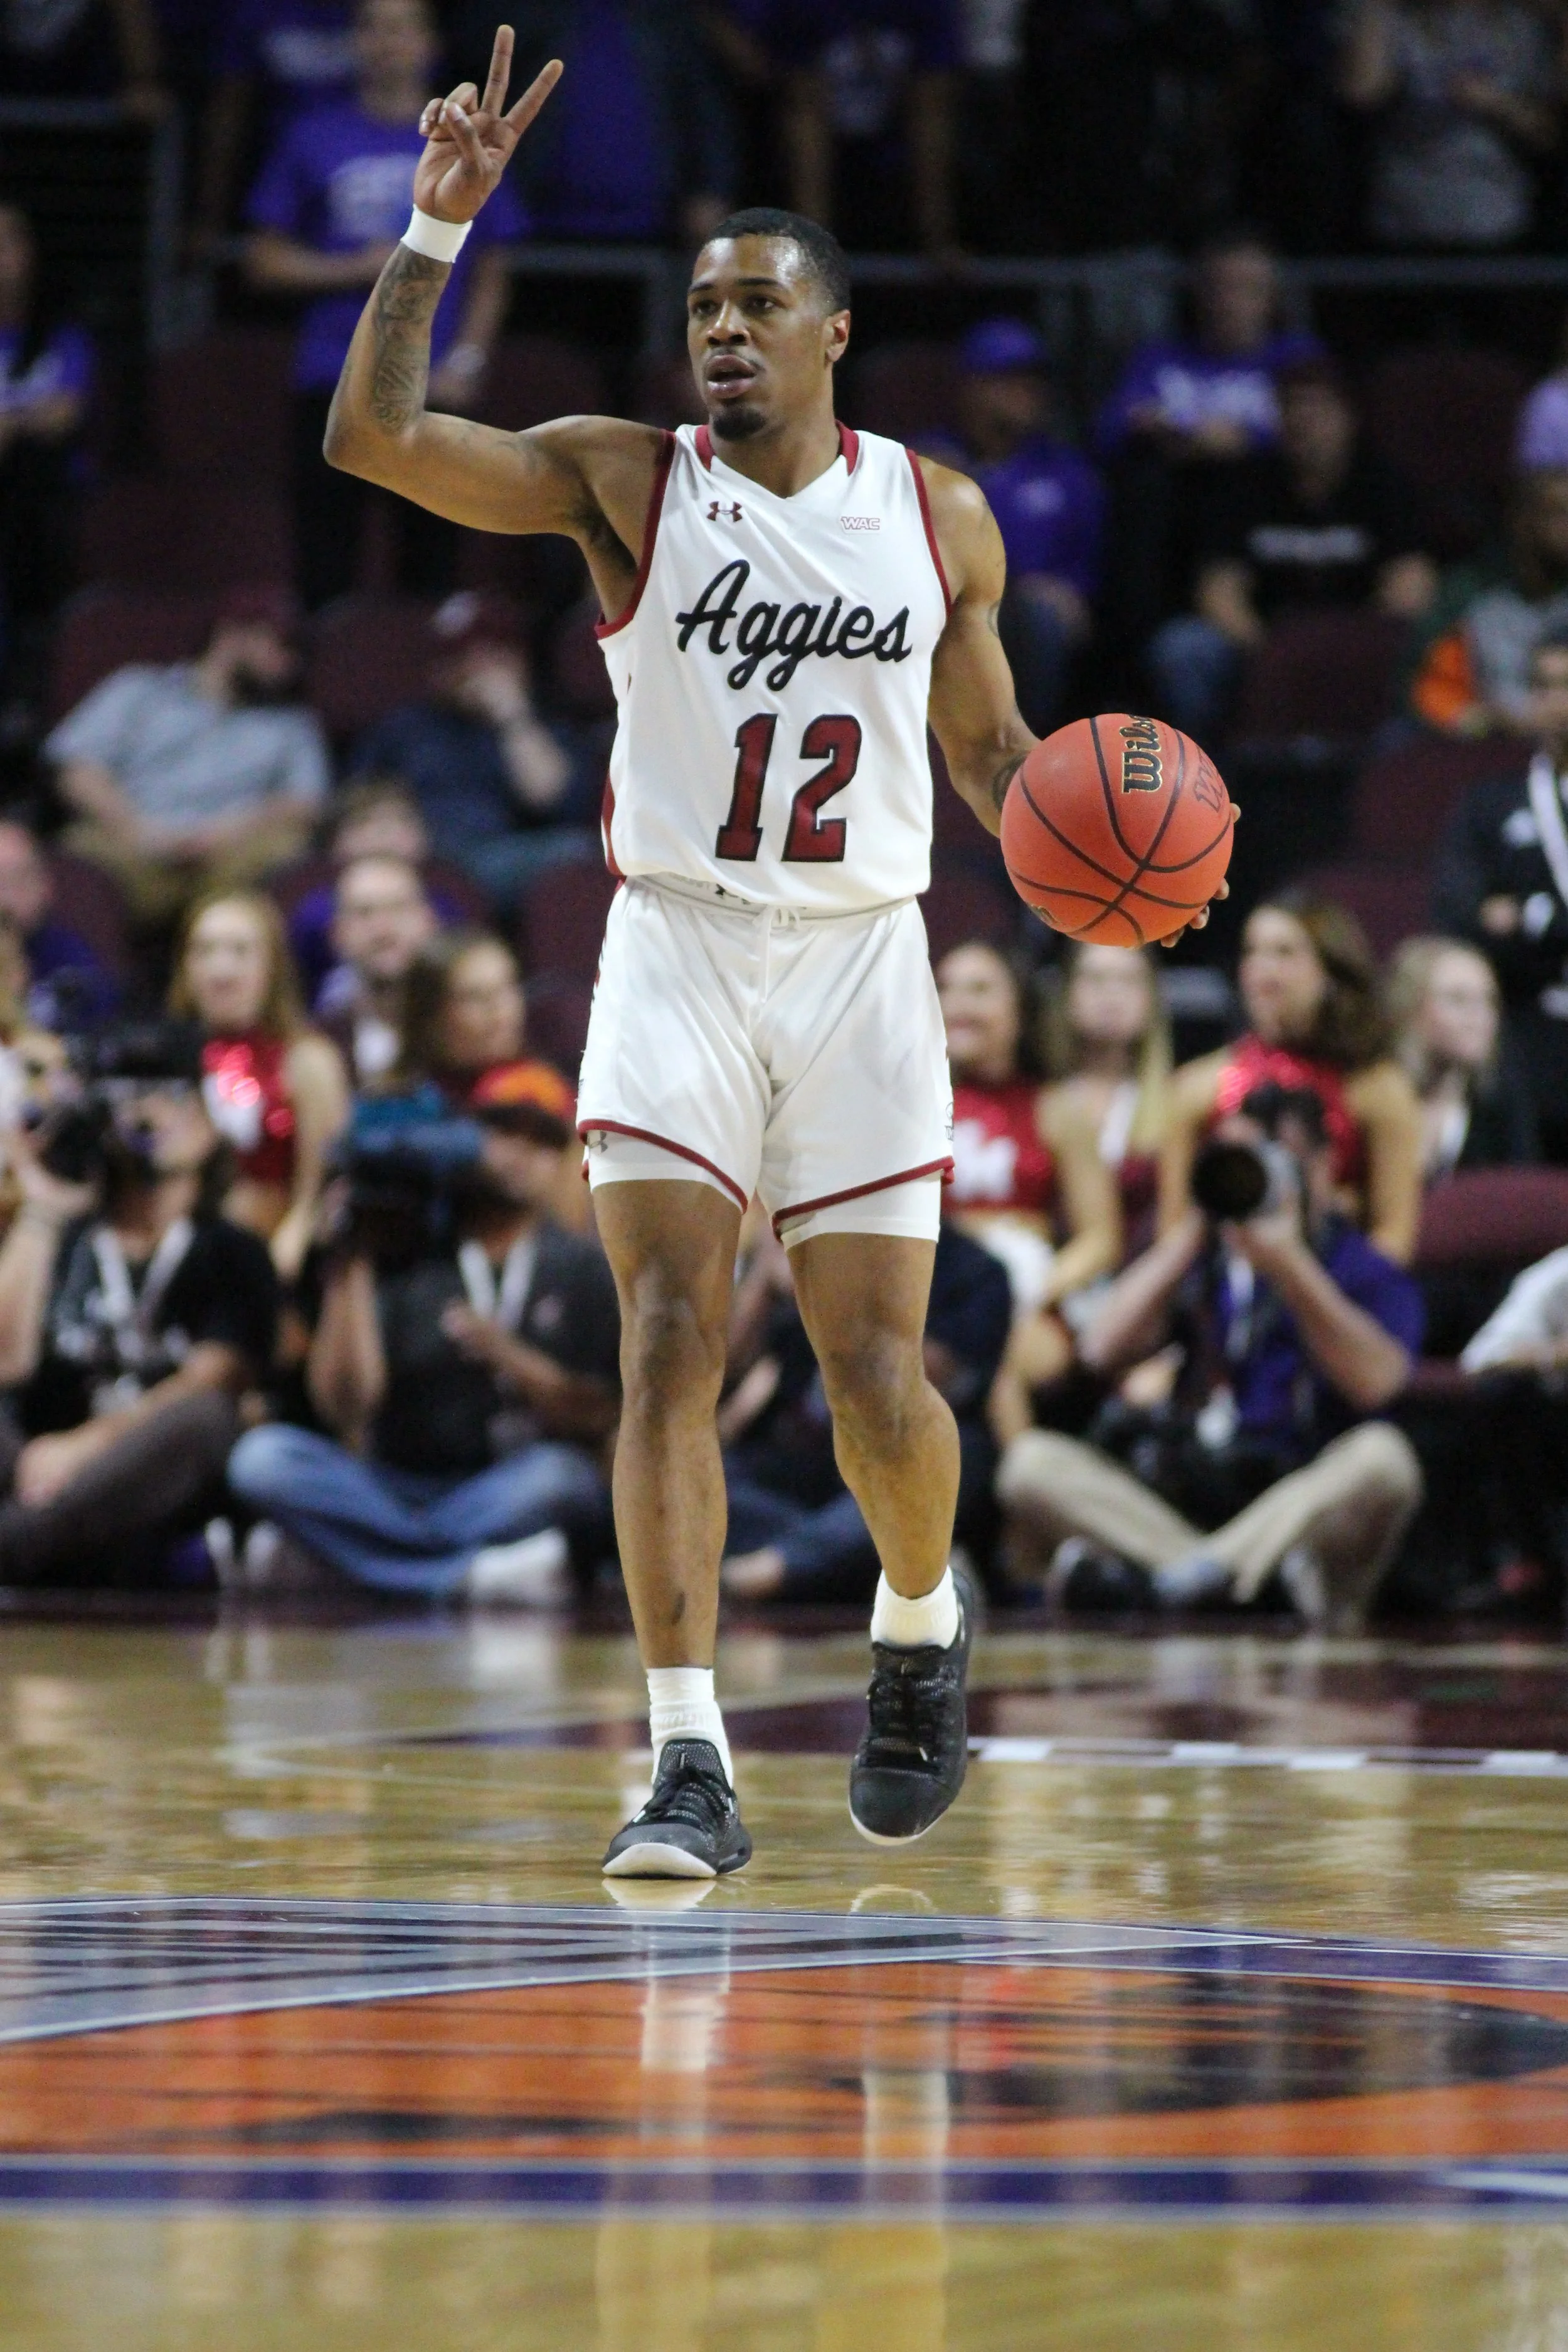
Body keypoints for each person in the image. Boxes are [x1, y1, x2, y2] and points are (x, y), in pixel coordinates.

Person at [319, 36, 1227, 1877]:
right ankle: (686, 1759)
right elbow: (374, 441)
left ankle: (916, 1621)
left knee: (873, 1384)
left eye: (758, 302)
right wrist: (434, 226)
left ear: (833, 331)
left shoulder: (934, 512)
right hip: (670, 945)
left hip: (857, 965)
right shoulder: (620, 481)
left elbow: (984, 761)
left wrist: (1105, 877)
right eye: (698, 305)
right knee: (667, 1331)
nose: (719, 329)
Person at [999, 1081, 1426, 1632]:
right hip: (1200, 1491)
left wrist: (1291, 1266)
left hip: (1302, 1507)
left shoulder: (1362, 1267)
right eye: (1234, 1160)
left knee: (1384, 1459)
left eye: (1271, 1162)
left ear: (1321, 1168)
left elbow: (1379, 1385)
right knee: (1031, 1463)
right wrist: (1188, 1233)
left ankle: (1186, 1578)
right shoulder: (1205, 1262)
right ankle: (1223, 1579)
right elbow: (1099, 1348)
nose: (1250, 1176)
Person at [228, 1061, 618, 1601]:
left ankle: (356, 1563)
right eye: (504, 1131)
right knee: (263, 1459)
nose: (521, 1154)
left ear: (562, 1160)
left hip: (502, 1484)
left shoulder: (581, 1267)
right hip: (389, 1482)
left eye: (544, 1141)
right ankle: (463, 1574)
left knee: (567, 1478)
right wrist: (351, 1264)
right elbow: (345, 1406)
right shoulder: (406, 1247)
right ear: (464, 1138)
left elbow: (601, 1417)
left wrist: (510, 1357)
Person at [246, 0, 525, 608]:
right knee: (325, 565)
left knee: (431, 568)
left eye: (402, 27)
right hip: (334, 375)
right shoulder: (312, 134)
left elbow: (493, 267)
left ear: (430, 43)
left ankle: (421, 694)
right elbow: (262, 261)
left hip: (432, 382)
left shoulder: (464, 141)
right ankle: (325, 684)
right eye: (371, 27)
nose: (386, 42)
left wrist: (468, 362)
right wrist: (353, 266)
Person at [0, 1027, 278, 1589]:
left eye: (172, 1097)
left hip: (137, 1478)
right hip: (33, 1465)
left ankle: (19, 1545)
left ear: (209, 1124)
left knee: (208, 1419)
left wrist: (82, 1449)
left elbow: (213, 1380)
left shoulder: (232, 1251)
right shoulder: (68, 1235)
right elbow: (8, 1364)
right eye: (128, 1096)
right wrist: (43, 1210)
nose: (149, 1115)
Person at [719, 1214, 1010, 1605]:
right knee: (706, 1478)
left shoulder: (973, 1272)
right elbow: (721, 1373)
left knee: (934, 1483)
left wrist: (827, 1293)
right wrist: (763, 1284)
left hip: (898, 1456)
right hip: (809, 1461)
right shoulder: (807, 1243)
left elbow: (913, 1384)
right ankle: (842, 1562)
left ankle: (776, 1570)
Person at [1149, 357, 1436, 743]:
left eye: (1317, 408)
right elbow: (1218, 590)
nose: (1303, 421)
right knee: (1184, 648)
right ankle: (1208, 776)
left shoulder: (1384, 485)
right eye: (1292, 407)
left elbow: (1410, 591)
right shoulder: (1244, 485)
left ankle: (1381, 781)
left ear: (1348, 418)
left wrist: (1341, 652)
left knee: (1421, 657)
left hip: (1356, 648)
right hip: (1262, 644)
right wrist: (1276, 656)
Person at [44, 588, 331, 931]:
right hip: (133, 846)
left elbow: (305, 804)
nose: (289, 665)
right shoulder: (139, 688)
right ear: (232, 635)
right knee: (75, 849)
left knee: (287, 849)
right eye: (280, 647)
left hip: (230, 860)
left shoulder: (290, 723)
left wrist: (226, 832)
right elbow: (76, 769)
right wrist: (139, 832)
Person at [1095, 230, 1322, 656]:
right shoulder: (1160, 358)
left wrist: (1245, 440)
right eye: (1220, 287)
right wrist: (1197, 440)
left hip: (1265, 516)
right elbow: (1111, 431)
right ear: (1199, 295)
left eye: (1247, 288)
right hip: (1172, 517)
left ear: (1271, 298)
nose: (1230, 302)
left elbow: (1324, 433)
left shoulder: (1296, 358)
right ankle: (1131, 655)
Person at [1162, 894, 1424, 1263]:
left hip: (1341, 1290)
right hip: (1227, 1294)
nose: (1262, 970)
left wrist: (1331, 1299)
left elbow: (1394, 1235)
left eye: (1284, 953)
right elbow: (1173, 1234)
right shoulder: (1196, 1086)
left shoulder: (1379, 1089)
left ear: (1331, 973)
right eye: (1252, 952)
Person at [936, 940, 1120, 1416]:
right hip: (936, 1292)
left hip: (1028, 1293)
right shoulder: (911, 1107)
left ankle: (1016, 1480)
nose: (958, 1004)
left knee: (1007, 1353)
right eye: (945, 989)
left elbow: (1100, 1238)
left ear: (1019, 1010)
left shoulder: (1056, 1108)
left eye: (979, 990)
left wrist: (1031, 1290)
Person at [352, 589, 597, 910]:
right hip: (421, 860)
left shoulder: (545, 726)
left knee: (576, 851)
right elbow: (359, 801)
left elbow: (555, 799)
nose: (476, 669)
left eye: (493, 654)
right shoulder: (404, 729)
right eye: (461, 657)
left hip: (506, 860)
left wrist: (513, 717)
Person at [927, 319, 1104, 734]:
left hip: (1029, 623)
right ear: (971, 387)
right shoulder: (929, 458)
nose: (1027, 393)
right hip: (942, 613)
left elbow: (1086, 575)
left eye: (1033, 381)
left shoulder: (1067, 471)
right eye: (1008, 380)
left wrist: (1072, 593)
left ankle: (1030, 748)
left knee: (1038, 617)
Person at [1431, 630, 1568, 1160]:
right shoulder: (1488, 805)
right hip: (1522, 1030)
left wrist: (1532, 918)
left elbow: (1500, 922)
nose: (1559, 703)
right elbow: (1458, 918)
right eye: (1546, 687)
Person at [168, 890, 351, 1282]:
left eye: (240, 951)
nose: (221, 970)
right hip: (183, 1257)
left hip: (281, 1257)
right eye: (204, 951)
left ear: (272, 967)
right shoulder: (169, 1061)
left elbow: (319, 1190)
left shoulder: (307, 1062)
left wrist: (287, 1249)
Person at [450, 0, 735, 244]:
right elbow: (470, 88)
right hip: (533, 223)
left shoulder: (667, 15)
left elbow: (704, 108)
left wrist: (710, 189)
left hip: (654, 227)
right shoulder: (517, 11)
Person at [1339, 0, 1558, 252]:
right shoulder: (1398, 22)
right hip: (1404, 215)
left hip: (1494, 216)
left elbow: (1546, 132)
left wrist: (1497, 104)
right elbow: (1362, 94)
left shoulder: (1519, 26)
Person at [762, 0, 962, 258]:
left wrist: (938, 236)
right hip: (824, 171)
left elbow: (932, 111)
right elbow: (803, 110)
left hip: (896, 167)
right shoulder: (804, 9)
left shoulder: (929, 9)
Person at [0, 205, 93, 700]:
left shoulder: (61, 336)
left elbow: (66, 415)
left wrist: (10, 425)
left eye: (9, 242)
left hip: (43, 508)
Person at [283, 776, 480, 1002]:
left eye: (398, 909)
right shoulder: (311, 910)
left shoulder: (452, 902)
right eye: (365, 823)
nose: (382, 835)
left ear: (429, 921)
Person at [1409, 470, 1568, 736]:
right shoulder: (1472, 591)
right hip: (1491, 746)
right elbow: (1428, 687)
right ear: (1525, 522)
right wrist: (1482, 721)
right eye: (1558, 513)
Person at [1041, 939, 1171, 1260]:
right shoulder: (1041, 1103)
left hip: (1151, 1290)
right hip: (1054, 1284)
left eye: (1128, 980)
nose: (1111, 995)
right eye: (1095, 979)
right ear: (1068, 994)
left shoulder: (1176, 1104)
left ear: (1151, 998)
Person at [194, 0, 357, 255]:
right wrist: (208, 215)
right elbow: (229, 112)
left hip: (360, 166)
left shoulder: (374, 11)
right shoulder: (258, 12)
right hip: (273, 177)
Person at [1386, 934, 1538, 1177]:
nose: (1479, 1017)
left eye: (1488, 1000)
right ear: (1409, 1007)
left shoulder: (1502, 1109)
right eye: (1458, 999)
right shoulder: (1378, 1100)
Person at [314, 852, 438, 1084]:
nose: (383, 929)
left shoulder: (467, 1030)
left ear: (429, 923)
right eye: (364, 913)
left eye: (398, 908)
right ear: (337, 934)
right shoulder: (317, 1044)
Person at [0, 820, 119, 1033]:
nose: (6, 900)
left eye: (19, 880)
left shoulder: (72, 961)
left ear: (46, 885)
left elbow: (102, 1021)